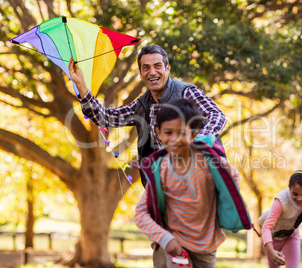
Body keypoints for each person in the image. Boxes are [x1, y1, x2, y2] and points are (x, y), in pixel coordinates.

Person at [68, 44, 226, 187]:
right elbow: (106, 118)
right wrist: (81, 85)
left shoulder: (186, 92)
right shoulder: (142, 105)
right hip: (167, 184)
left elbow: (217, 116)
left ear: (167, 68)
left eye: (157, 66)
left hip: (200, 177)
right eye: (146, 68)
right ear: (141, 74)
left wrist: (196, 144)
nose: (152, 72)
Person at [134, 98, 240, 268]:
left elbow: (233, 177)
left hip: (207, 244)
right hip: (175, 243)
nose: (175, 139)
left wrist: (225, 208)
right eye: (168, 132)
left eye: (182, 133)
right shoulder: (161, 170)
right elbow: (140, 213)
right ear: (158, 133)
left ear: (193, 134)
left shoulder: (208, 163)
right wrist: (166, 239)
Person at [259, 170, 302, 267]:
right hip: (272, 238)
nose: (299, 198)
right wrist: (271, 250)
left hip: (291, 236)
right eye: (295, 194)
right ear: (289, 189)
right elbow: (266, 227)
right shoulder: (281, 200)